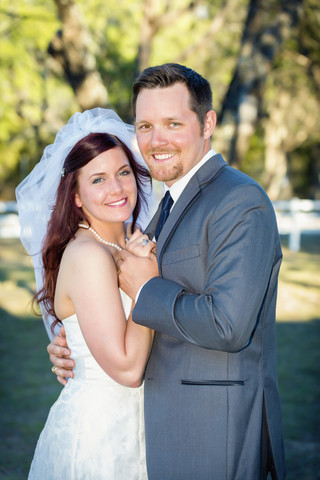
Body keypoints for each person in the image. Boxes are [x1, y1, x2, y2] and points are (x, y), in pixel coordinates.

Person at [48, 64, 286, 480]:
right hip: (153, 428)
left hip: (213, 429)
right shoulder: (168, 206)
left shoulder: (239, 200)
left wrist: (148, 290)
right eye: (145, 126)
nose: (157, 141)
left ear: (207, 123)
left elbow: (228, 324)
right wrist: (75, 348)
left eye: (173, 124)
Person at [16, 108, 157, 479]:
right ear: (75, 196)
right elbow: (126, 370)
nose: (117, 188)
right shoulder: (88, 255)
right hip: (101, 438)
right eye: (98, 180)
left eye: (123, 172)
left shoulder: (134, 245)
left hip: (144, 426)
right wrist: (147, 289)